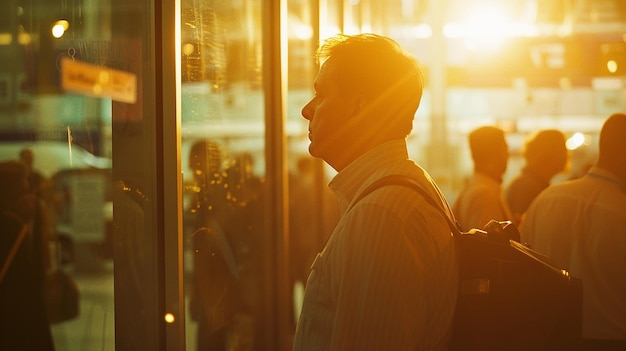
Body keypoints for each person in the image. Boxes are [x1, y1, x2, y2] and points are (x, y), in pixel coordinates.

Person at [293, 33, 458, 350]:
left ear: (357, 107)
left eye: (321, 95)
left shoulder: (380, 217)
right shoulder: (399, 191)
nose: (307, 110)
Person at [519, 113, 626, 350]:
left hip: (547, 337)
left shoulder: (546, 200)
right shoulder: (621, 211)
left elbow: (520, 271)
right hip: (613, 340)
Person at [0, 161, 55, 350]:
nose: (28, 187)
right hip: (17, 317)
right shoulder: (15, 227)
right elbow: (26, 278)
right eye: (23, 181)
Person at [452, 126, 513, 231]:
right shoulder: (484, 195)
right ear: (494, 154)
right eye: (505, 149)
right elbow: (490, 246)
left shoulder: (475, 188)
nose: (508, 155)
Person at [505, 129, 568, 223]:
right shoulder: (526, 187)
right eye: (562, 148)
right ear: (549, 153)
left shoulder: (529, 183)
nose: (566, 155)